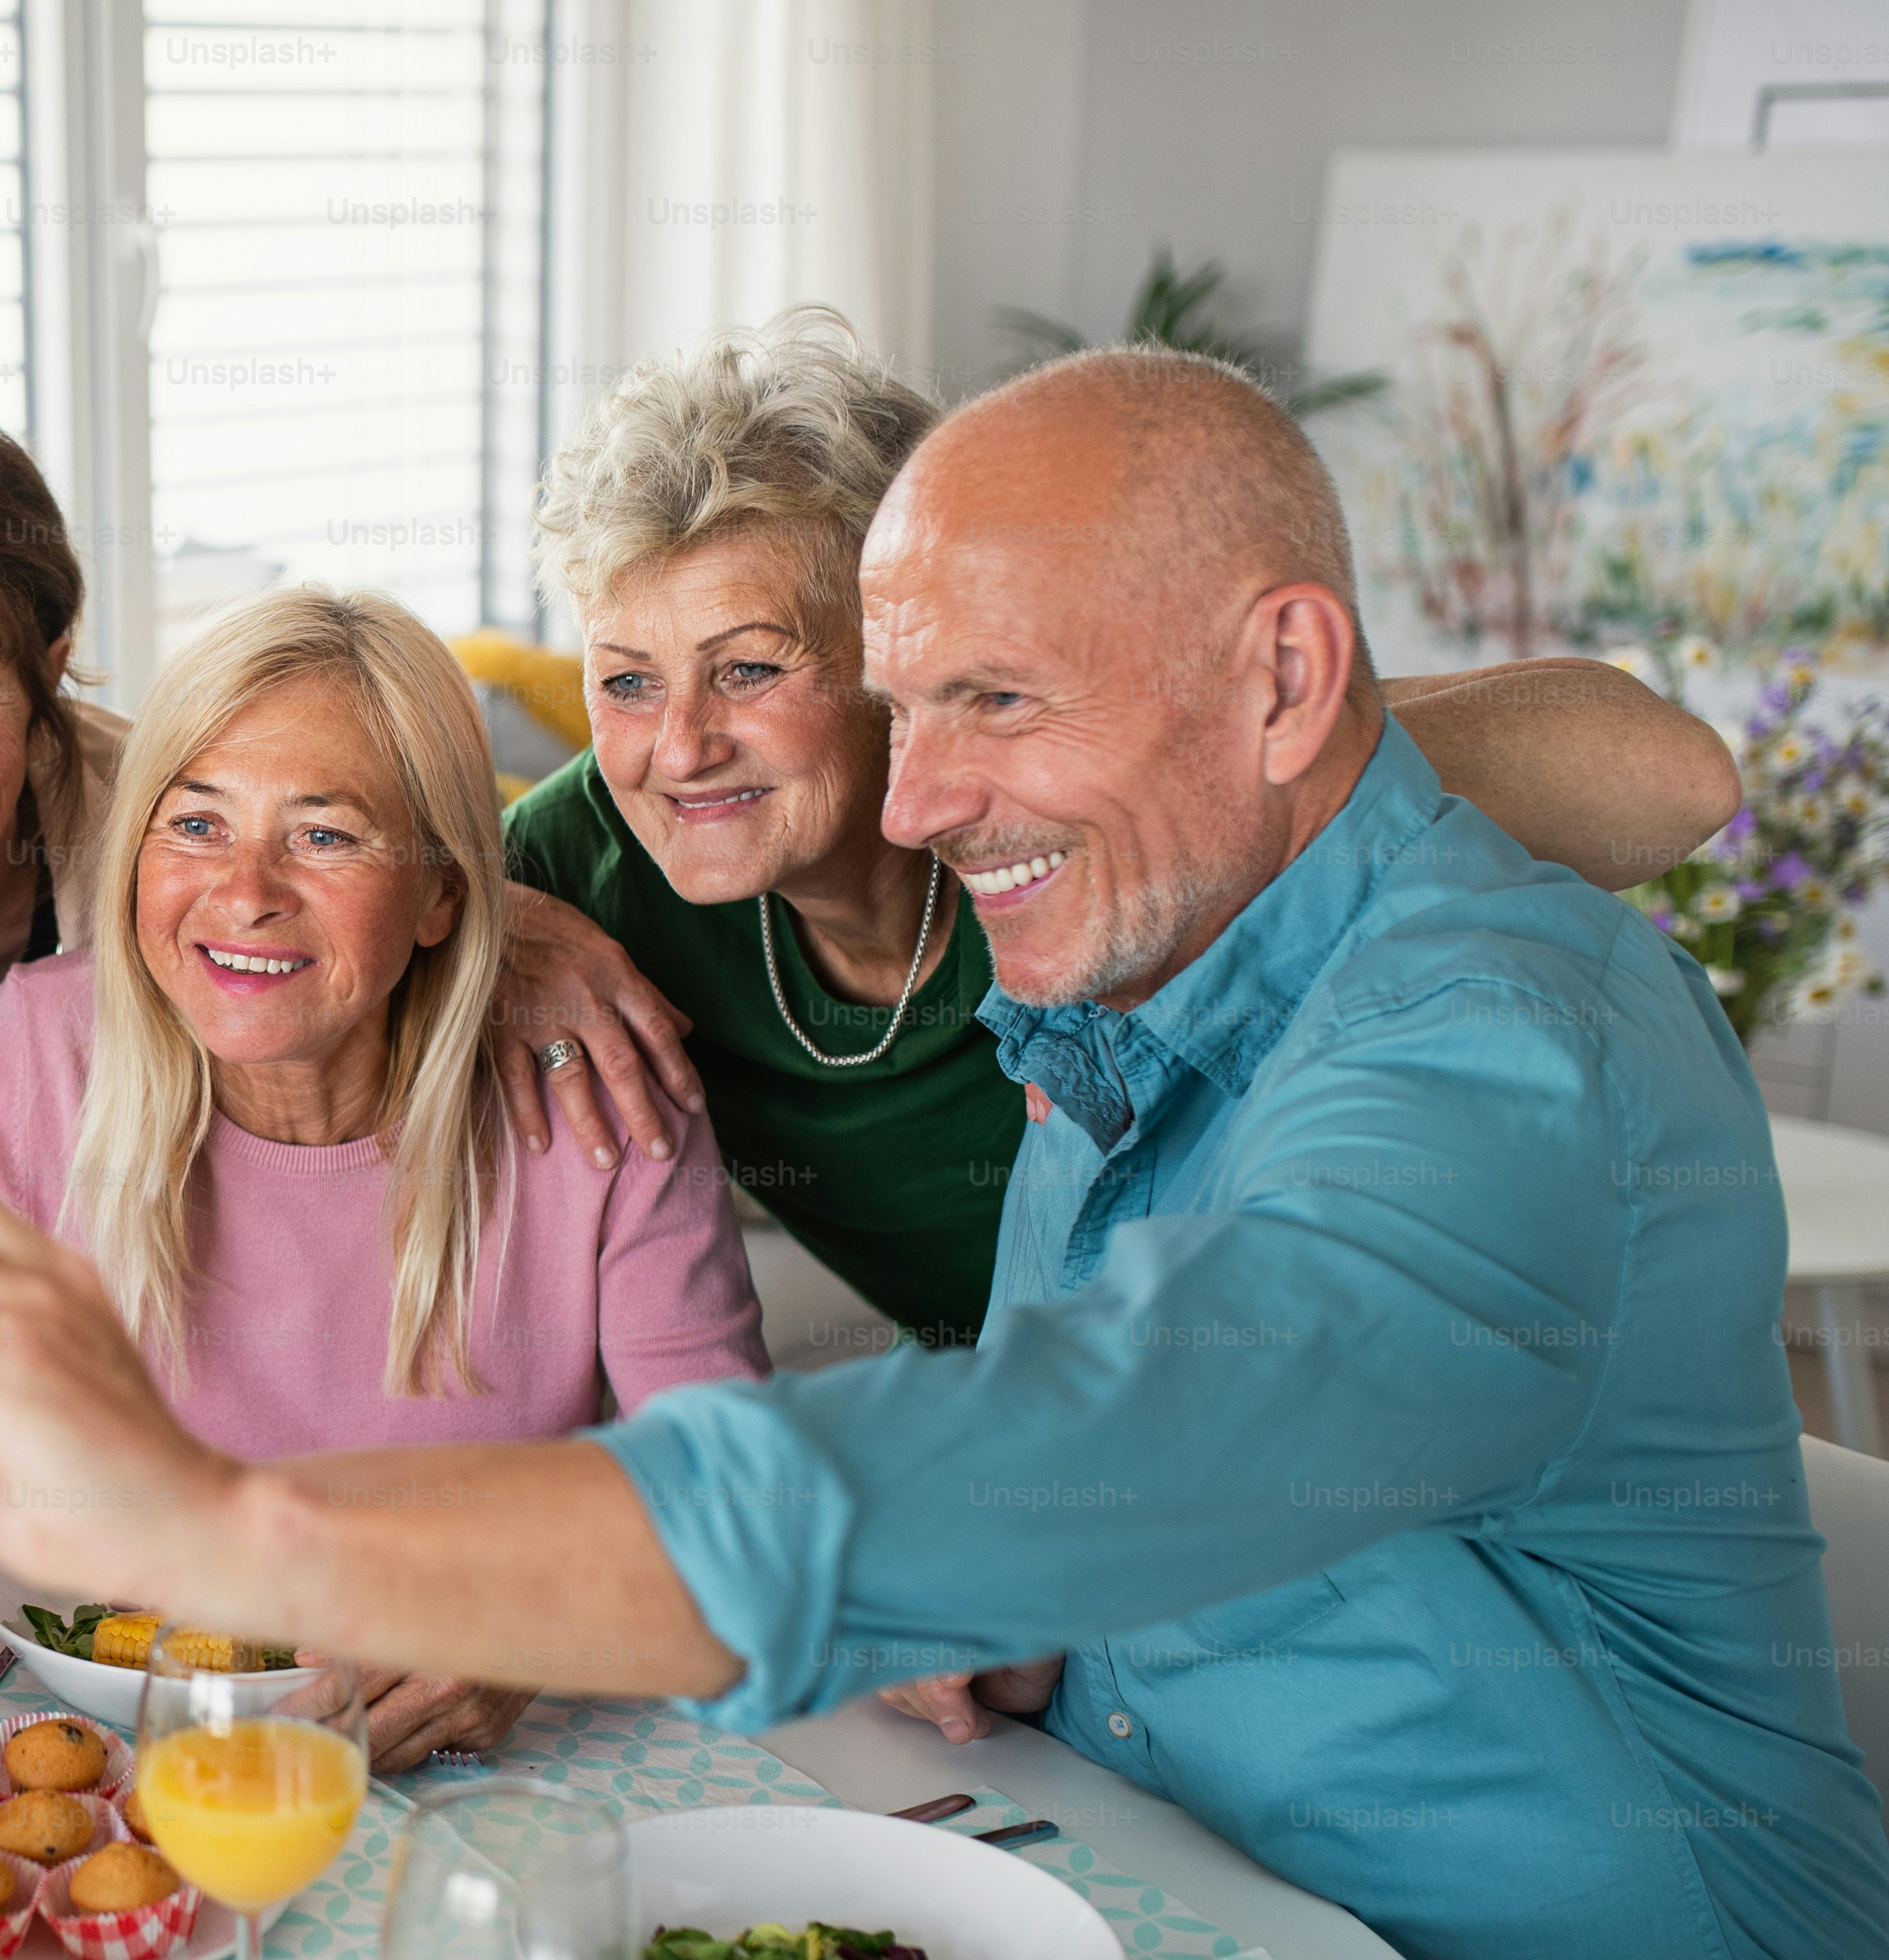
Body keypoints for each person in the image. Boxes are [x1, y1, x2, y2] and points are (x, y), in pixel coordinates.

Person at [0, 351, 1889, 1960]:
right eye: (907, 701)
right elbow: (465, 858)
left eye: (995, 705)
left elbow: (1133, 1428)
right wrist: (1022, 1636)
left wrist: (228, 1523)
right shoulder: (1119, 986)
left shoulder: (1490, 1051)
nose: (917, 805)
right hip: (1169, 1935)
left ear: (1286, 682)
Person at [497, 310, 1745, 1345]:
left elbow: (1679, 779)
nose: (680, 748)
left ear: (901, 651)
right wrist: (511, 927)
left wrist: (1211, 739)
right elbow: (362, 902)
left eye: (751, 670)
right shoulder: (591, 859)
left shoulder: (1095, 818)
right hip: (1049, 1443)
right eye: (627, 682)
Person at [0, 585, 769, 1768]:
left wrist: (541, 1624)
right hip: (119, 1744)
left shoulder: (598, 1091)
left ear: (439, 894)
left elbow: (734, 1489)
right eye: (198, 824)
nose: (247, 891)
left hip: (481, 1778)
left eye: (325, 834)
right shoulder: (40, 1050)